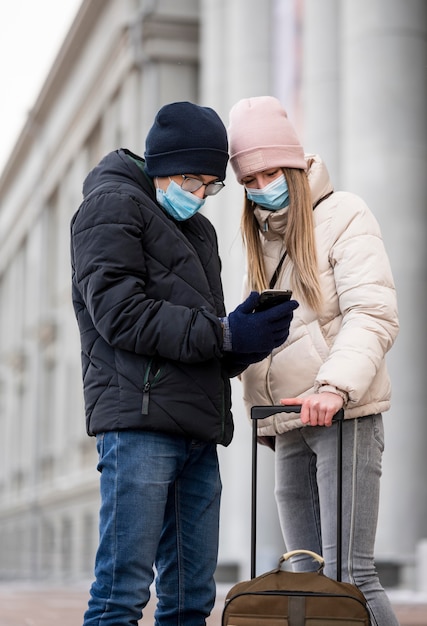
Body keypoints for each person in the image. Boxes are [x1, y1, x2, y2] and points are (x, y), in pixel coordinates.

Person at [70, 101, 298, 626]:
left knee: (190, 600)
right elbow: (120, 315)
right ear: (161, 164)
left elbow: (200, 338)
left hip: (196, 428)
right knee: (121, 594)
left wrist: (244, 339)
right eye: (193, 180)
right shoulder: (110, 205)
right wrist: (222, 332)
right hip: (139, 427)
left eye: (210, 186)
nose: (199, 196)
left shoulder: (200, 232)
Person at [227, 96, 400, 626]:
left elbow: (373, 312)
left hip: (340, 413)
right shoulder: (261, 239)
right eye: (248, 180)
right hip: (287, 421)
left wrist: (334, 386)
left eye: (270, 172)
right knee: (304, 580)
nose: (261, 188)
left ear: (296, 164)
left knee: (350, 577)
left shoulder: (344, 213)